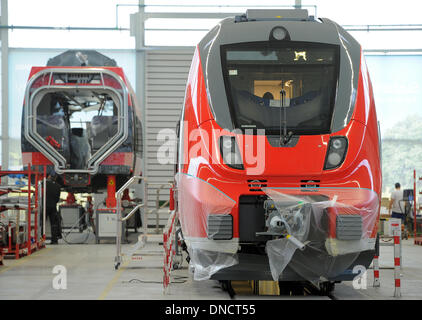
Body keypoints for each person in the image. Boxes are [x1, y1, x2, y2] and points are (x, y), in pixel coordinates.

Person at [46, 174, 62, 244]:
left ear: (49, 176)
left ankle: (40, 239)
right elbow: (57, 199)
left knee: (41, 223)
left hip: (45, 206)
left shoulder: (44, 184)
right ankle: (54, 240)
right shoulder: (58, 186)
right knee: (54, 224)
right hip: (53, 206)